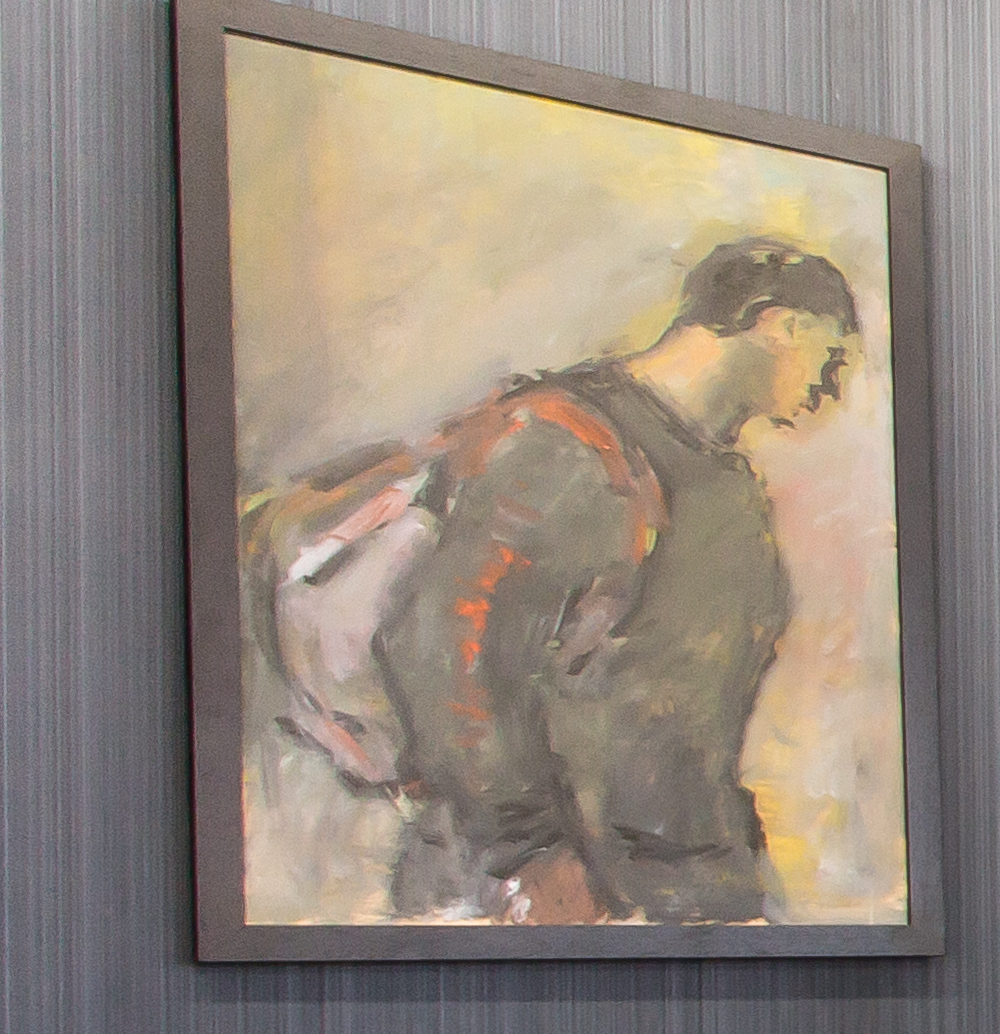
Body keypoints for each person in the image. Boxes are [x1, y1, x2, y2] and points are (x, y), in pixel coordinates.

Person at [365, 236, 865, 926]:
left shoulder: (728, 489)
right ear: (780, 324)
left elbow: (686, 721)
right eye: (831, 353)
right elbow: (441, 647)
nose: (832, 385)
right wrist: (529, 853)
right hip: (529, 897)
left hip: (682, 888)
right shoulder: (563, 442)